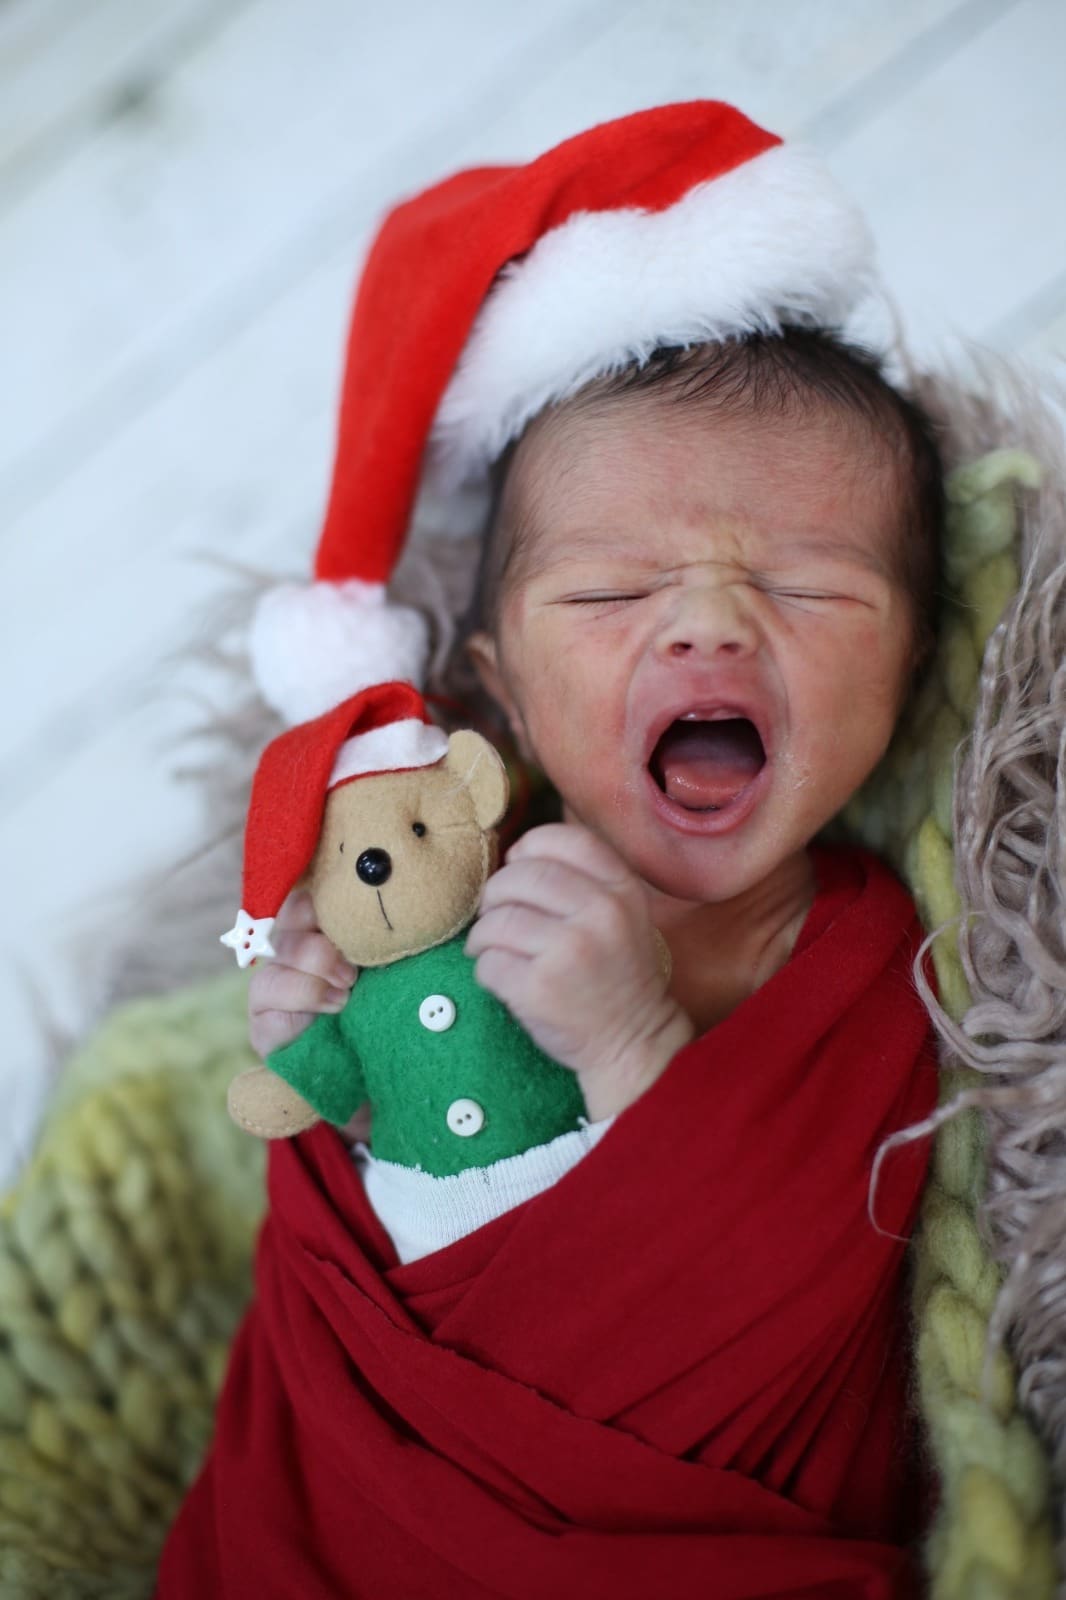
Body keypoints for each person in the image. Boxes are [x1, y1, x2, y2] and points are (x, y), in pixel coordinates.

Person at [158, 101, 943, 1597]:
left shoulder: (883, 974)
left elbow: (812, 1315)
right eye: (609, 593)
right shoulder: (423, 904)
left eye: (807, 585)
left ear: (912, 668)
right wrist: (343, 1091)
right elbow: (376, 1262)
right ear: (498, 690)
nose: (707, 623)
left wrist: (639, 1048)